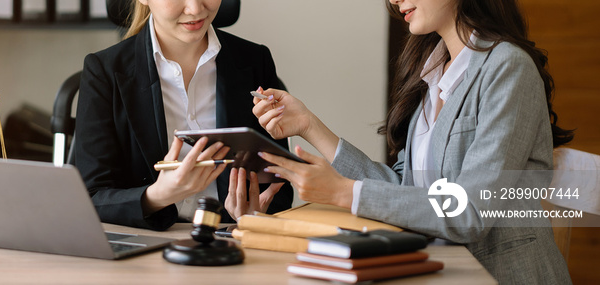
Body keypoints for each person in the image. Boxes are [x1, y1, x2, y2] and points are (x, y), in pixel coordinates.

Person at [251, 0, 573, 283]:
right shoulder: (432, 75)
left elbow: (470, 211)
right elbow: (404, 191)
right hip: (437, 272)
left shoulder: (507, 68)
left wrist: (342, 192)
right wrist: (309, 125)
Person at [74, 0, 293, 231]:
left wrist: (253, 212)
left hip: (229, 242)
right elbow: (91, 198)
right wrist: (157, 196)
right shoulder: (103, 71)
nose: (195, 9)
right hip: (145, 244)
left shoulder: (255, 60)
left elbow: (279, 183)